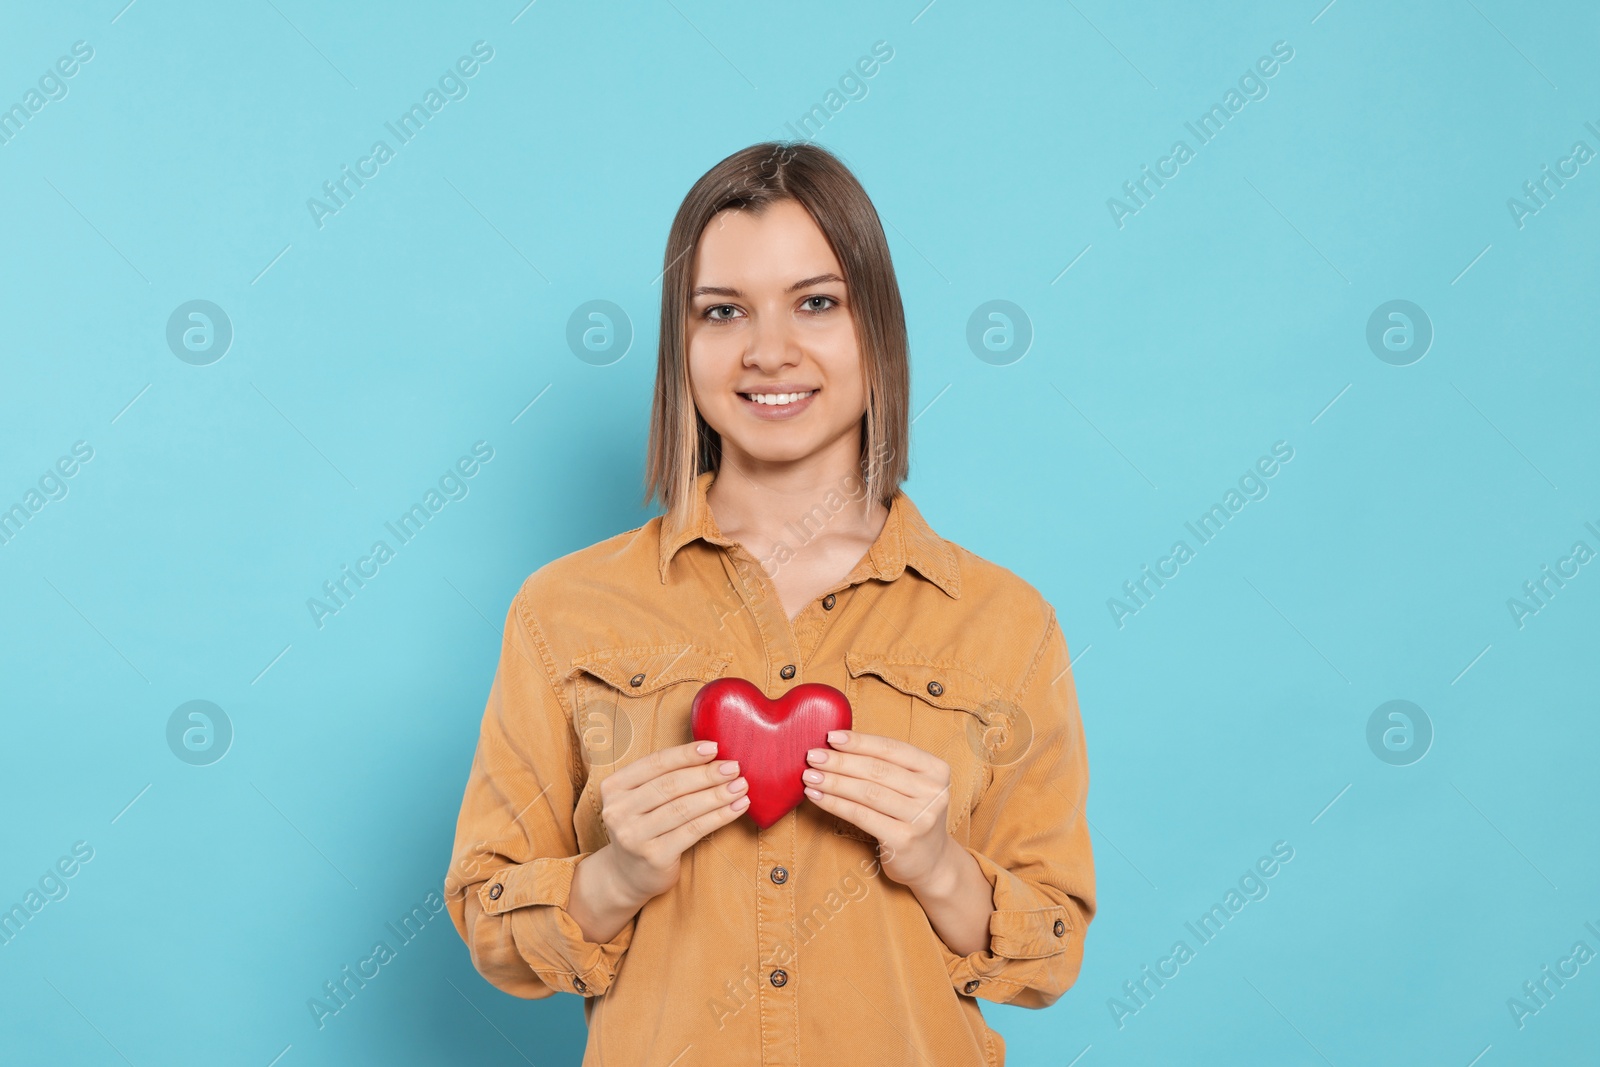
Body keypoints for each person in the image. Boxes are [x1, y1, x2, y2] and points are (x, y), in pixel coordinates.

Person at [443, 141, 1095, 1066]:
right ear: (685, 343)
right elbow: (488, 916)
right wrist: (614, 875)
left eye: (817, 302)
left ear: (879, 327)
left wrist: (942, 867)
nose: (769, 350)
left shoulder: (1003, 621)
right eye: (723, 311)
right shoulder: (563, 611)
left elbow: (1051, 948)